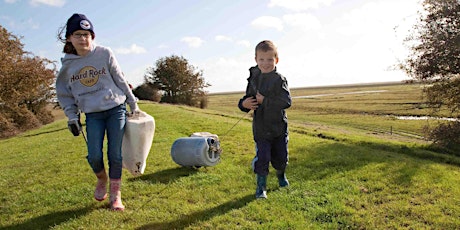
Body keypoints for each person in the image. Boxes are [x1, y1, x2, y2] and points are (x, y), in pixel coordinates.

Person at [56, 13, 139, 211]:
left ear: (92, 36)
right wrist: (72, 117)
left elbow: (119, 78)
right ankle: (102, 179)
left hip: (115, 109)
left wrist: (132, 101)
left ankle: (115, 195)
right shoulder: (67, 66)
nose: (83, 38)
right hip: (92, 114)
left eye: (87, 34)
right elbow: (64, 95)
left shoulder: (104, 53)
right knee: (94, 155)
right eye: (78, 34)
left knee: (115, 154)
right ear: (69, 38)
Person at [238, 40, 292, 199]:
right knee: (263, 158)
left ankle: (281, 176)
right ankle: (261, 187)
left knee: (281, 158)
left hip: (279, 129)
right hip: (261, 129)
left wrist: (265, 101)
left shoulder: (279, 79)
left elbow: (286, 102)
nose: (266, 63)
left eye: (270, 59)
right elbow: (247, 100)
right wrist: (243, 104)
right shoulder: (253, 79)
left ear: (277, 60)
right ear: (256, 59)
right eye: (261, 59)